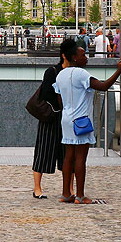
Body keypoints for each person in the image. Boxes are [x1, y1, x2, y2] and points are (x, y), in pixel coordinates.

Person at [53, 42, 121, 205]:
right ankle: (79, 195)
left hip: (66, 119)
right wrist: (119, 70)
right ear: (74, 57)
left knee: (68, 156)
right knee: (80, 158)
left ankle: (66, 193)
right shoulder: (81, 74)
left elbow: (60, 100)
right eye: (83, 55)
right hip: (81, 120)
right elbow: (103, 86)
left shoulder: (60, 75)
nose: (86, 57)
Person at [31, 39, 73, 199]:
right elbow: (46, 94)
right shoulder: (52, 72)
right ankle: (37, 188)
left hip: (68, 118)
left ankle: (70, 188)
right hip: (51, 117)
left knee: (68, 154)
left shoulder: (75, 72)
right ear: (65, 55)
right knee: (43, 151)